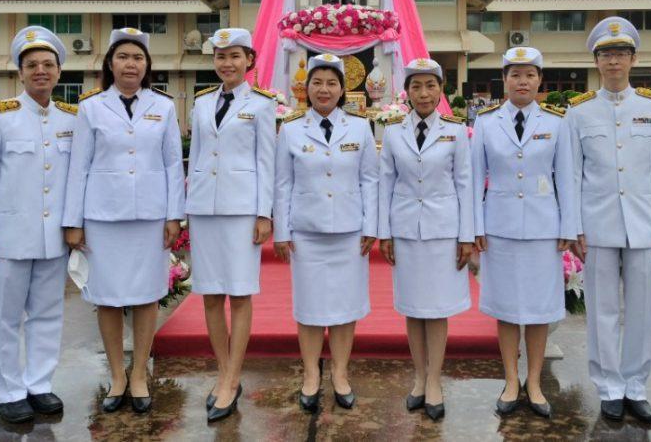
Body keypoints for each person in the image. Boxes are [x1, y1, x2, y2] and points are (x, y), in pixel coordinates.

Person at [62, 28, 185, 415]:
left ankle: (139, 374)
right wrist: (74, 221)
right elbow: (79, 166)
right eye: (123, 57)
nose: (131, 64)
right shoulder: (91, 107)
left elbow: (171, 163)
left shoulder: (163, 106)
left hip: (150, 217)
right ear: (110, 65)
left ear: (147, 66)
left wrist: (174, 215)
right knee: (108, 297)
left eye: (138, 58)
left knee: (148, 295)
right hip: (103, 217)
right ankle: (117, 374)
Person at [565, 16, 651, 424]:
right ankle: (609, 387)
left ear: (633, 59)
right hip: (596, 225)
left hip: (644, 224)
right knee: (602, 309)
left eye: (621, 54)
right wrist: (573, 226)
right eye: (606, 55)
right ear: (596, 61)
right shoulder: (578, 112)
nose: (614, 62)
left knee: (642, 308)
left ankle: (636, 385)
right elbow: (572, 173)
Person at [0, 26, 76, 423]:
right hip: (9, 237)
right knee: (5, 317)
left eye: (48, 64)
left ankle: (39, 384)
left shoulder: (72, 117)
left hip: (53, 238)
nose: (40, 71)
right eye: (32, 65)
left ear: (59, 72)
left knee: (48, 313)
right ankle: (9, 391)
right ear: (20, 71)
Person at [471, 47, 577, 418]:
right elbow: (473, 181)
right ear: (504, 80)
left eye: (529, 75)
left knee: (538, 308)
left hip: (542, 229)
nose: (522, 81)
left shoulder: (556, 122)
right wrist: (474, 228)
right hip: (498, 227)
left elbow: (566, 178)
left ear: (539, 81)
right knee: (504, 307)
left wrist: (569, 227)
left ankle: (533, 382)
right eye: (515, 75)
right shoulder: (485, 122)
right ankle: (511, 378)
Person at [273, 53, 378, 413]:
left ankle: (341, 372)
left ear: (342, 89)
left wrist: (371, 224)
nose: (324, 89)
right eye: (317, 82)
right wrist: (281, 231)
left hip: (349, 231)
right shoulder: (289, 129)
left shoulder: (361, 127)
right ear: (306, 87)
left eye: (332, 82)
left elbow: (370, 180)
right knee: (309, 306)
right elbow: (282, 184)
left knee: (347, 306)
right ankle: (310, 375)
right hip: (307, 231)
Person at [185, 27, 276, 423]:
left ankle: (233, 375)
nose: (227, 63)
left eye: (235, 56)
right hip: (204, 207)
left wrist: (264, 213)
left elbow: (266, 162)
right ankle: (223, 371)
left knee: (239, 295)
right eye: (221, 56)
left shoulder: (261, 105)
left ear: (249, 61)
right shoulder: (202, 104)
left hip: (241, 209)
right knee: (208, 294)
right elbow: (199, 153)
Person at [378, 57, 474, 422]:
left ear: (441, 89)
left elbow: (465, 184)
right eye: (416, 86)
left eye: (430, 86)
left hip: (442, 231)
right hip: (405, 229)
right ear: (406, 92)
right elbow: (386, 183)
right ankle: (419, 377)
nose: (423, 93)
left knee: (436, 309)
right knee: (413, 307)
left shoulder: (455, 131)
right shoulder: (393, 132)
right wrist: (384, 233)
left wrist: (466, 236)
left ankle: (434, 380)